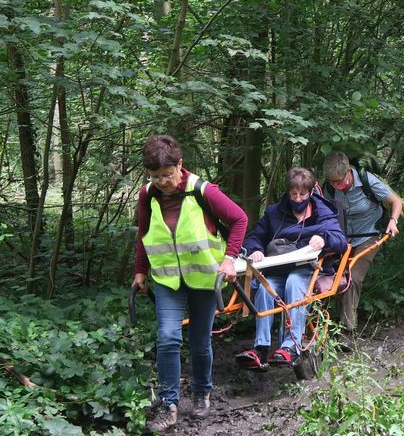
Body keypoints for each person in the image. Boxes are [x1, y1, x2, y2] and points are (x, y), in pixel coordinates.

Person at [133, 135, 248, 433]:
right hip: (168, 280)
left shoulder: (202, 190)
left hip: (204, 278)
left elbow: (239, 219)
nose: (162, 182)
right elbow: (144, 234)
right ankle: (169, 404)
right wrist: (140, 271)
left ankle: (201, 392)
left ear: (180, 165)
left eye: (167, 175)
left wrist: (229, 259)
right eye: (155, 176)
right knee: (168, 337)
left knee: (199, 341)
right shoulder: (148, 195)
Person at [235, 167, 347, 370]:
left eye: (302, 194)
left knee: (294, 282)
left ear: (311, 192)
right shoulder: (275, 213)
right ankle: (260, 347)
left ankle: (291, 345)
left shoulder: (323, 212)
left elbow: (340, 241)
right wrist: (256, 249)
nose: (297, 199)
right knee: (264, 286)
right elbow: (254, 237)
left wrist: (323, 238)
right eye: (293, 194)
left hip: (307, 268)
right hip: (278, 267)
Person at [322, 151, 402, 343]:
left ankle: (346, 332)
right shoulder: (330, 188)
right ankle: (332, 326)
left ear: (349, 172)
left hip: (369, 236)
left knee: (352, 276)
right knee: (335, 278)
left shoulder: (367, 181)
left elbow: (396, 201)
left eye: (340, 182)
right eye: (334, 183)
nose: (337, 186)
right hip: (342, 240)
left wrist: (393, 221)